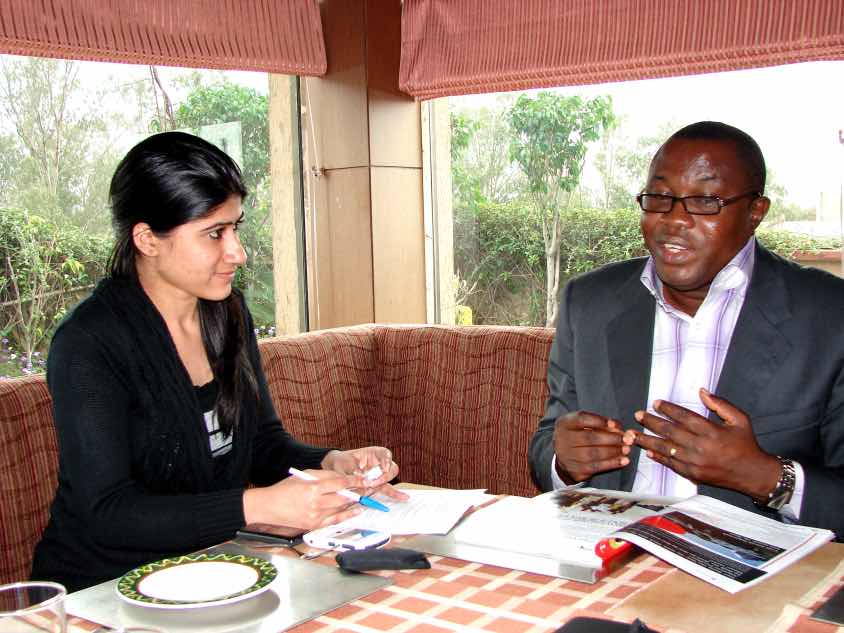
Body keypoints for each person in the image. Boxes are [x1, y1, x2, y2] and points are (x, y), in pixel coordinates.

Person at [31, 131, 407, 591]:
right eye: (214, 233)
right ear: (147, 238)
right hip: (101, 590)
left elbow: (262, 444)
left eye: (235, 228)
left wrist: (333, 461)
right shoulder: (89, 342)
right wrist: (259, 507)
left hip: (209, 573)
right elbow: (107, 512)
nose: (237, 253)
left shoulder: (227, 314)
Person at [529, 121, 844, 539]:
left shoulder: (828, 315)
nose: (673, 219)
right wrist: (564, 461)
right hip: (606, 556)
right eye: (659, 197)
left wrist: (765, 476)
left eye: (704, 201)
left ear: (755, 213)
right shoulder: (588, 303)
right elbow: (547, 443)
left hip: (755, 574)